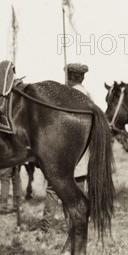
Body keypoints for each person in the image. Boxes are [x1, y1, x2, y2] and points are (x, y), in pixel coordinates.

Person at [38, 63, 91, 235]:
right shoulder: (88, 96)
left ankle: (46, 227)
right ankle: (73, 227)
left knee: (54, 188)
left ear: (70, 77)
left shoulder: (70, 95)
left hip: (67, 151)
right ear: (81, 77)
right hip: (82, 153)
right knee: (76, 190)